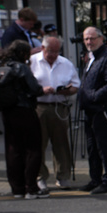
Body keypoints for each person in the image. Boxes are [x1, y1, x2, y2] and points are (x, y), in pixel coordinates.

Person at [0, 41, 45, 198]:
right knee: (33, 149)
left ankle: (17, 189)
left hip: (8, 112)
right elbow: (35, 89)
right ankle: (31, 187)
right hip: (24, 110)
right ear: (24, 53)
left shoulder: (2, 66)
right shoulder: (21, 67)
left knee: (13, 149)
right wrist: (43, 90)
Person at [30, 36, 80, 191]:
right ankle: (40, 177)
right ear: (43, 48)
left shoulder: (65, 63)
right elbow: (25, 86)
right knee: (39, 143)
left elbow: (76, 85)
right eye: (50, 51)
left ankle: (63, 176)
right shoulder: (32, 62)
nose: (53, 55)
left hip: (59, 106)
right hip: (39, 106)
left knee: (61, 144)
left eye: (57, 51)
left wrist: (68, 90)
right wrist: (41, 90)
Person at [79, 26, 107, 195]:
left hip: (101, 109)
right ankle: (95, 179)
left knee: (103, 147)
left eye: (92, 38)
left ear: (101, 38)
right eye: (86, 39)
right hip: (90, 109)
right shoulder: (91, 57)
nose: (89, 42)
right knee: (92, 147)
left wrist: (94, 96)